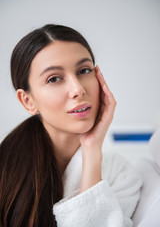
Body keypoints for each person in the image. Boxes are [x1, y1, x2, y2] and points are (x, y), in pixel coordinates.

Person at [0, 24, 142, 227]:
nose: (78, 89)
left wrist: (91, 150)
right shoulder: (5, 171)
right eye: (54, 78)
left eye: (84, 70)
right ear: (28, 101)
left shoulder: (121, 175)